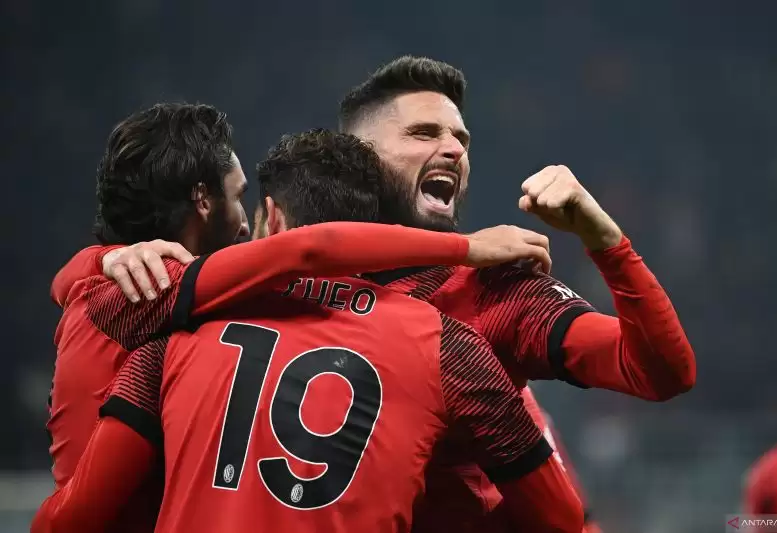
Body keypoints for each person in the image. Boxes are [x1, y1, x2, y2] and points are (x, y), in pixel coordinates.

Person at [33, 129, 583, 533]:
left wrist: (95, 261)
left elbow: (70, 520)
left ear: (273, 216)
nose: (244, 228)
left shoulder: (171, 329)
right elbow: (562, 518)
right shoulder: (453, 348)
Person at [336, 56, 695, 532]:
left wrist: (606, 240)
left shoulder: (495, 292)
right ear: (357, 158)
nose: (453, 150)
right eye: (423, 133)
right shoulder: (297, 285)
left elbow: (660, 371)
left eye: (461, 139)